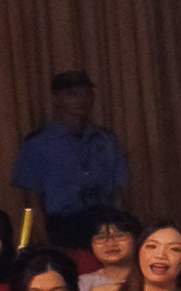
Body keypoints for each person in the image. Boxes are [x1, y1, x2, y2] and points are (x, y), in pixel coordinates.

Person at [11, 72, 128, 223]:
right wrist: (39, 233)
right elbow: (30, 198)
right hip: (61, 223)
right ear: (56, 99)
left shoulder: (106, 140)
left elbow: (118, 190)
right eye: (72, 94)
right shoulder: (38, 143)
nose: (81, 100)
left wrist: (118, 225)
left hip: (102, 220)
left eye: (86, 93)